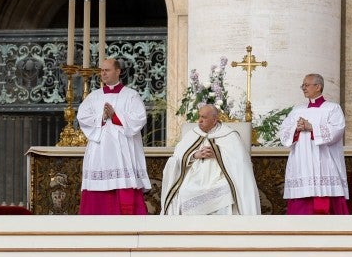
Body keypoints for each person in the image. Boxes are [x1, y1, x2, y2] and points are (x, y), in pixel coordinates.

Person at [76, 58, 150, 215]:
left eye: (107, 70)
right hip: (99, 150)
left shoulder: (131, 95)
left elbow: (139, 118)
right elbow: (82, 117)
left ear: (118, 71)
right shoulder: (94, 96)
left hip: (122, 150)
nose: (103, 73)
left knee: (123, 183)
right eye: (102, 70)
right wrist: (102, 117)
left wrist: (115, 116)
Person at [161, 104, 261, 215]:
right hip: (195, 177)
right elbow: (177, 157)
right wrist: (195, 155)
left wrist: (218, 154)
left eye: (204, 117)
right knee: (184, 191)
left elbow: (240, 161)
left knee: (226, 192)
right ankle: (191, 229)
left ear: (214, 120)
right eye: (199, 117)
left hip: (221, 177)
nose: (199, 121)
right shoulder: (192, 133)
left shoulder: (229, 135)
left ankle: (219, 229)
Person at [279, 73, 349, 215]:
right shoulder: (297, 110)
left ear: (318, 87)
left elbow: (337, 130)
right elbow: (284, 132)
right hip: (301, 163)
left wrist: (312, 127)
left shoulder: (332, 108)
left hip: (324, 162)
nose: (303, 88)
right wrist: (296, 129)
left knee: (324, 197)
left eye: (306, 85)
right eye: (302, 85)